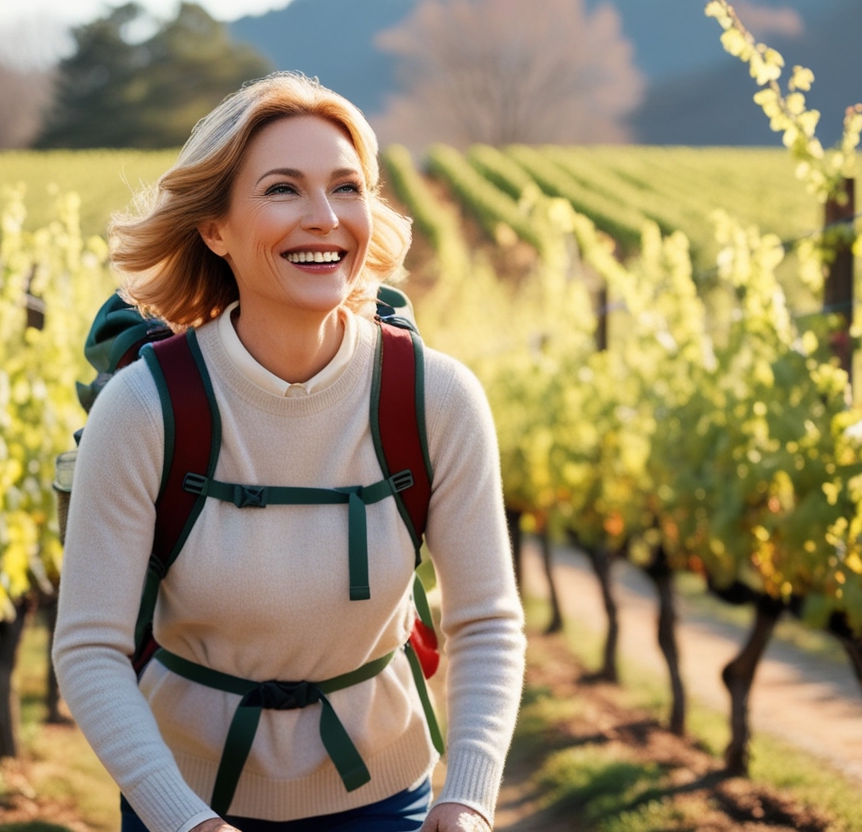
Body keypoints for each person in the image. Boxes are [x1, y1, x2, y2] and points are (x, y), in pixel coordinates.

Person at [53, 72, 525, 832]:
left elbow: (487, 621)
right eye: (283, 190)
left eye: (346, 189)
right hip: (185, 799)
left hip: (384, 795)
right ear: (215, 227)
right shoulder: (144, 408)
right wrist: (184, 820)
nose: (325, 219)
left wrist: (467, 799)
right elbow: (89, 647)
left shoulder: (435, 398)